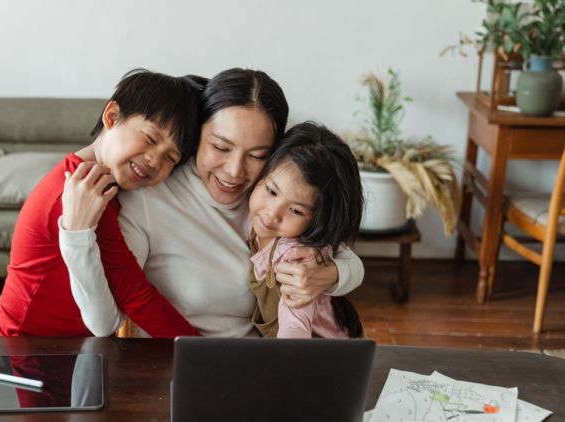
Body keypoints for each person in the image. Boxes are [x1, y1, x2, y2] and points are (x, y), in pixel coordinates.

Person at [60, 68, 365, 337]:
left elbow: (345, 257)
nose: (234, 172)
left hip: (259, 369)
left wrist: (330, 275)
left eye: (257, 155)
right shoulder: (149, 199)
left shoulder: (269, 198)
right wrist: (76, 236)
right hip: (178, 373)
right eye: (220, 147)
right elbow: (105, 322)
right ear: (196, 136)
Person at [0, 69, 202, 337]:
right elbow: (133, 296)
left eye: (170, 158)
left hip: (63, 347)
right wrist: (204, 354)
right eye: (150, 139)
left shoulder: (103, 183)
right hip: (27, 350)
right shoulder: (82, 193)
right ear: (112, 116)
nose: (154, 160)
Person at [247, 122, 365, 339]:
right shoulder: (253, 222)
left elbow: (296, 327)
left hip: (327, 357)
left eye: (295, 210)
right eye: (272, 191)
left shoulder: (295, 256)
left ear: (318, 219)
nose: (272, 214)